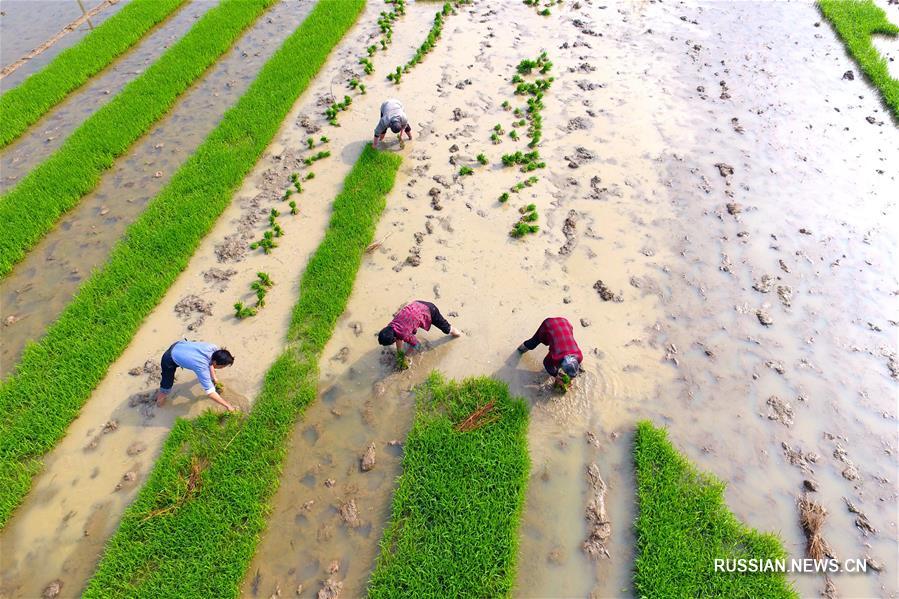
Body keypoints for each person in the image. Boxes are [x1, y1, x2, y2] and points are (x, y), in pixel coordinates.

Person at [153, 341, 237, 411]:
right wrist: (228, 406)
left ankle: (159, 401)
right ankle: (158, 405)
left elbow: (211, 362)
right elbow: (210, 393)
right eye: (222, 366)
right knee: (166, 387)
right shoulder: (201, 367)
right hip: (169, 359)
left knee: (206, 372)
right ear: (216, 363)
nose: (222, 368)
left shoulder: (213, 348)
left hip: (179, 346)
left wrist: (214, 377)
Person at [518, 317, 583, 385]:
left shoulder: (580, 356)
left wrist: (571, 378)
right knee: (534, 342)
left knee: (555, 357)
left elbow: (573, 368)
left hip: (565, 323)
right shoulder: (556, 357)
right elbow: (546, 363)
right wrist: (556, 376)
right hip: (549, 325)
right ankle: (521, 349)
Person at [378, 300, 461, 353]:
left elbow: (417, 344)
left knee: (446, 329)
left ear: (394, 339)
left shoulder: (404, 333)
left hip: (430, 310)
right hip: (417, 304)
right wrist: (400, 352)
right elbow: (398, 337)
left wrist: (407, 355)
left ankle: (458, 334)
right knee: (405, 332)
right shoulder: (391, 326)